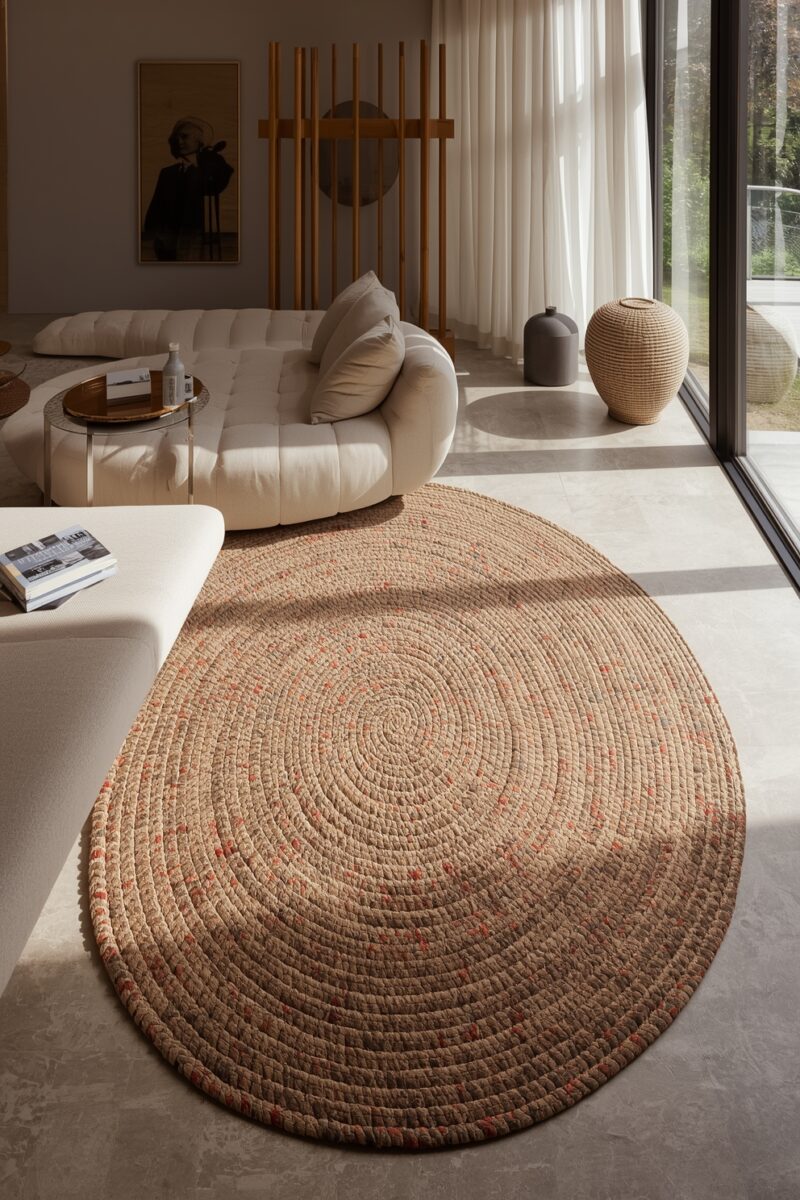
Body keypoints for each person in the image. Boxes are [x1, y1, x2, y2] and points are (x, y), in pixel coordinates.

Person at [143, 117, 234, 261]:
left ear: (200, 141)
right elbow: (156, 205)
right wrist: (152, 233)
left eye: (184, 137)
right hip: (165, 241)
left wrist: (209, 157)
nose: (179, 142)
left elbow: (216, 183)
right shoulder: (167, 172)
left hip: (194, 240)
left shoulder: (210, 167)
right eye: (176, 138)